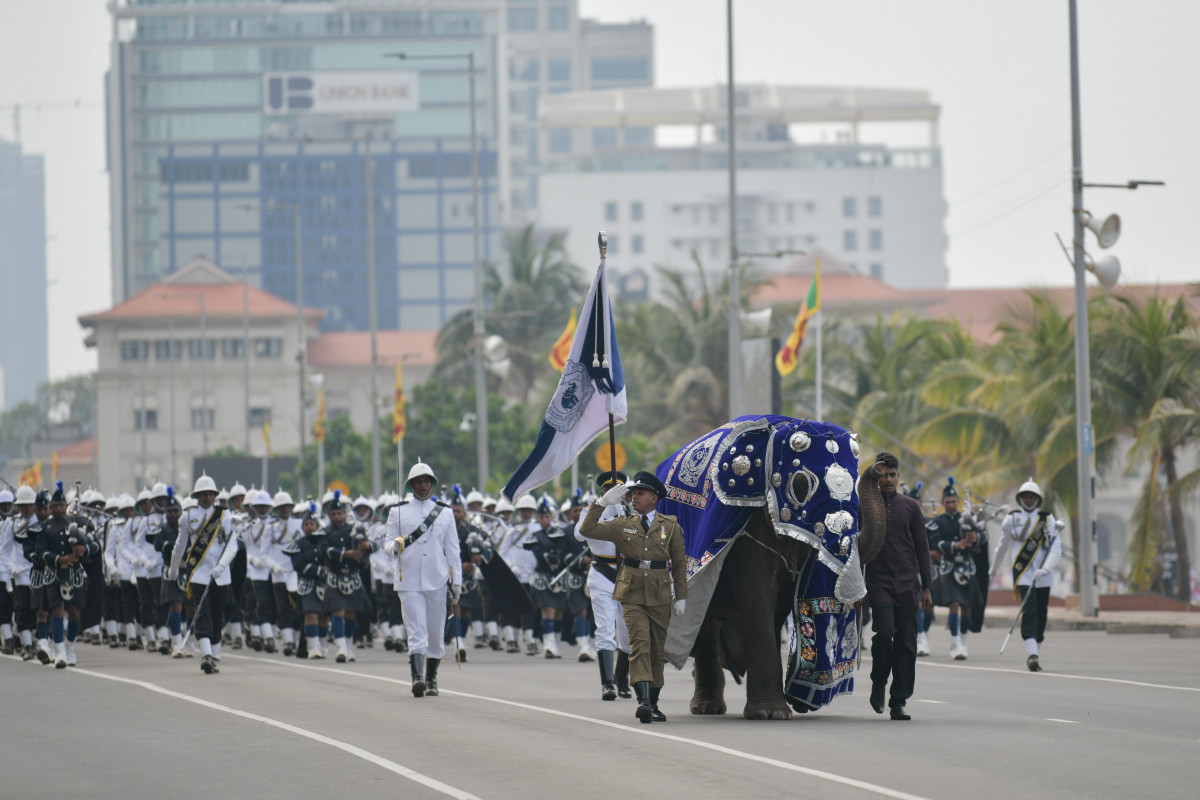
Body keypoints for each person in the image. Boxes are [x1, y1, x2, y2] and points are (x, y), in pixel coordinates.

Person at [578, 470, 687, 724]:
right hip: (632, 592)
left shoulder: (670, 526)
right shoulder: (623, 524)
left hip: (660, 592)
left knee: (657, 650)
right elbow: (587, 529)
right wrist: (602, 503)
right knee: (640, 644)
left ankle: (655, 701)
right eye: (633, 492)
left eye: (640, 493)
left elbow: (680, 564)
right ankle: (644, 701)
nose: (634, 497)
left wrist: (681, 596)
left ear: (654, 497)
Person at [864, 453, 932, 721]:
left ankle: (898, 700)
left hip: (907, 585)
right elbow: (856, 549)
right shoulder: (866, 506)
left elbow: (923, 549)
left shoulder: (911, 507)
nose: (888, 480)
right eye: (883, 475)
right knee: (884, 635)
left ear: (898, 477)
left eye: (893, 475)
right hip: (878, 582)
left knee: (906, 643)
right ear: (876, 477)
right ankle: (878, 682)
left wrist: (927, 587)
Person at [384, 460, 461, 698]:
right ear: (411, 485)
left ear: (432, 483)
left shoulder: (445, 512)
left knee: (436, 633)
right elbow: (386, 544)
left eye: (426, 481)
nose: (423, 485)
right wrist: (394, 547)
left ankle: (431, 678)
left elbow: (453, 550)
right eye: (418, 481)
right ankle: (417, 678)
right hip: (408, 580)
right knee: (416, 630)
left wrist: (456, 582)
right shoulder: (397, 511)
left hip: (437, 579)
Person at [166, 473, 239, 674]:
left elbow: (232, 546)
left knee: (217, 616)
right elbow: (179, 545)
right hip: (198, 573)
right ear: (197, 495)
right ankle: (206, 655)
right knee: (202, 612)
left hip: (220, 574)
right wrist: (173, 569)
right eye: (203, 494)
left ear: (214, 495)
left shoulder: (224, 515)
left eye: (210, 494)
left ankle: (214, 654)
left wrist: (222, 566)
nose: (207, 498)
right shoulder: (188, 516)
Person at [575, 470, 634, 701]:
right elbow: (579, 535)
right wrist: (601, 505)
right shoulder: (589, 512)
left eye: (617, 490)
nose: (612, 493)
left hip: (627, 573)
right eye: (608, 490)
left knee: (628, 634)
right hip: (602, 573)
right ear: (602, 491)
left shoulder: (630, 512)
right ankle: (607, 683)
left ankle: (622, 679)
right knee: (605, 630)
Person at [995, 479, 1060, 672]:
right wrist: (993, 569)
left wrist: (1046, 568)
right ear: (1021, 498)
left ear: (1037, 499)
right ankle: (1031, 654)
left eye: (1032, 496)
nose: (1029, 499)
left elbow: (1056, 548)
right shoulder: (1011, 520)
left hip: (1043, 576)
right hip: (1023, 574)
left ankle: (1036, 653)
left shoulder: (1048, 520)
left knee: (1041, 615)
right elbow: (1002, 547)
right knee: (1029, 611)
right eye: (1026, 496)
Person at [926, 478, 985, 660]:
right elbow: (935, 542)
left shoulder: (967, 519)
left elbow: (984, 535)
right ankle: (954, 642)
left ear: (957, 502)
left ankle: (963, 641)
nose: (951, 505)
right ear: (943, 503)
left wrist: (975, 538)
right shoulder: (939, 522)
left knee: (967, 606)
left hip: (967, 566)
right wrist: (956, 545)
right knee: (954, 604)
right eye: (948, 502)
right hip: (948, 567)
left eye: (954, 502)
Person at [322, 490, 373, 663]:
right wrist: (346, 554)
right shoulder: (325, 532)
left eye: (339, 513)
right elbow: (326, 551)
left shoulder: (354, 529)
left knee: (351, 614)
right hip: (335, 575)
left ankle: (348, 645)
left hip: (353, 575)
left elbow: (371, 545)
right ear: (328, 515)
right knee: (338, 611)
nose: (337, 517)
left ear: (345, 514)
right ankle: (341, 648)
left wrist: (365, 545)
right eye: (333, 514)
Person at [285, 502, 330, 659]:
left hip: (324, 584)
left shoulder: (325, 542)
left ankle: (323, 646)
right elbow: (298, 565)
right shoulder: (299, 544)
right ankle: (313, 647)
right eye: (306, 524)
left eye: (312, 524)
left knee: (324, 617)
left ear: (317, 526)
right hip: (306, 584)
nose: (309, 527)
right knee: (311, 615)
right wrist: (318, 570)